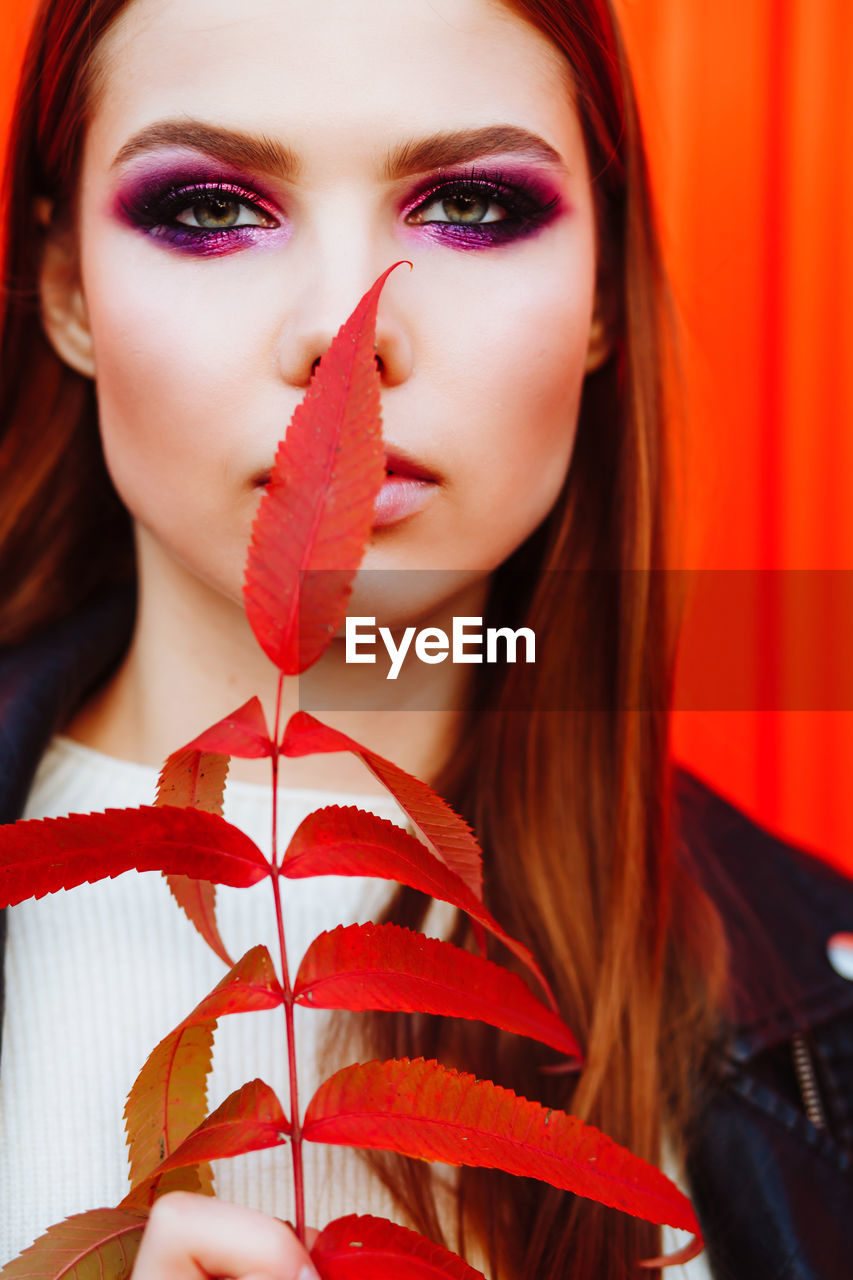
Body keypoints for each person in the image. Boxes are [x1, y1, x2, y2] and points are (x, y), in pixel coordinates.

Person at [0, 1, 852, 1277]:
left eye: (471, 205)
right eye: (209, 209)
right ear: (67, 291)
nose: (348, 330)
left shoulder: (815, 1021)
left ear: (604, 292)